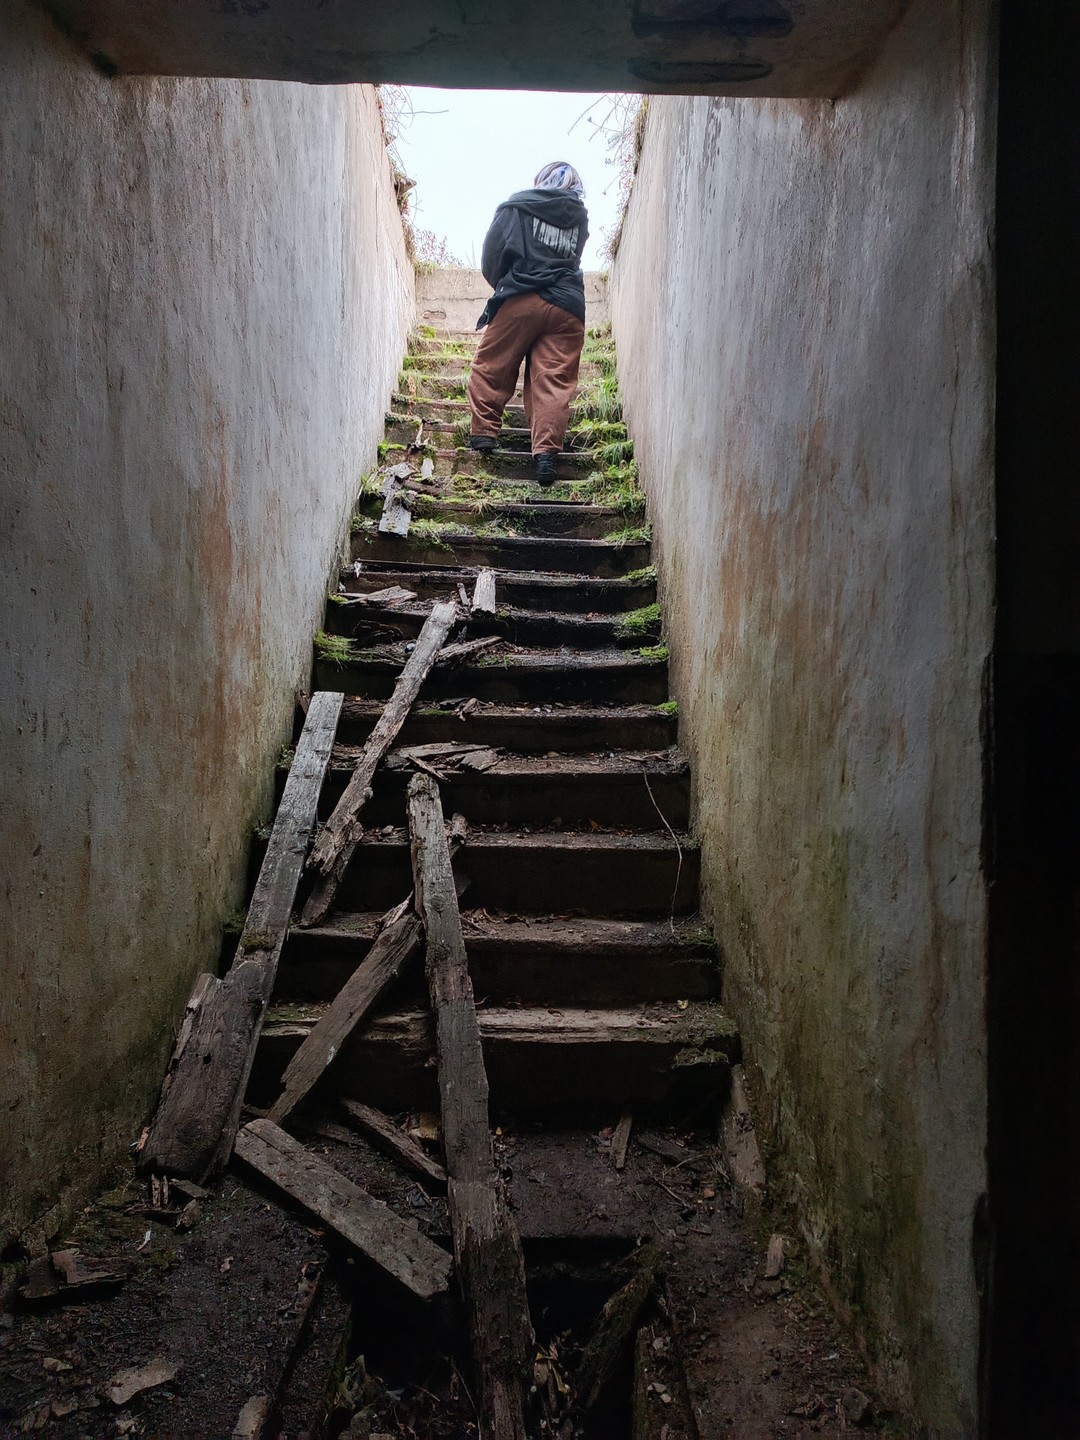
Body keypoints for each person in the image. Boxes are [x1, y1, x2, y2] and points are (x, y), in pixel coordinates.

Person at [467, 162, 589, 486]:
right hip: (568, 306)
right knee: (553, 380)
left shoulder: (518, 205)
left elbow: (491, 254)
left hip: (522, 296)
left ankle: (484, 435)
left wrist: (504, 285)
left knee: (493, 365)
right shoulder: (580, 217)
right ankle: (546, 455)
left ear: (541, 181)